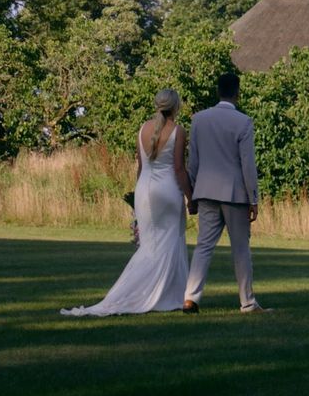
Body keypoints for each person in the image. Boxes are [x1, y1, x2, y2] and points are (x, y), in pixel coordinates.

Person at [61, 89, 191, 317]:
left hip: (144, 190)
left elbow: (141, 168)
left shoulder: (142, 129)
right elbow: (179, 169)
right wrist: (191, 196)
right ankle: (168, 295)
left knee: (150, 245)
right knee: (170, 243)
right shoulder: (178, 131)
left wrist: (137, 200)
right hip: (168, 191)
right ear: (176, 106)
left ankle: (152, 293)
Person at [184, 72, 268, 314]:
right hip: (235, 194)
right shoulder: (243, 122)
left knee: (203, 246)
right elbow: (247, 165)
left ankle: (190, 297)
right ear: (237, 92)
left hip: (206, 190)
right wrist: (254, 198)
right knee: (240, 248)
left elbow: (194, 161)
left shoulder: (199, 119)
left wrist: (191, 193)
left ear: (217, 90)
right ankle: (247, 301)